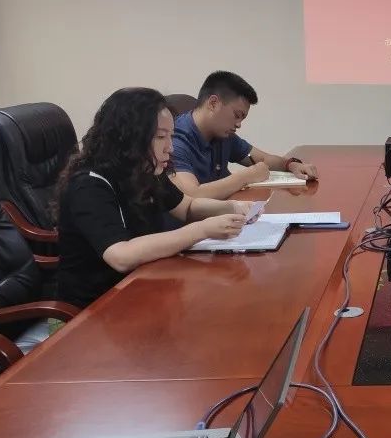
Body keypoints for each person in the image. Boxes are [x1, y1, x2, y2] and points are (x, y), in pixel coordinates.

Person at [57, 88, 256, 307]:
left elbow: (187, 207)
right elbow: (121, 256)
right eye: (161, 137)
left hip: (142, 287)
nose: (170, 148)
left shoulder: (144, 169)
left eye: (171, 136)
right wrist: (202, 230)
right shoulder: (88, 184)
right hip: (93, 308)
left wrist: (232, 207)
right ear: (129, 137)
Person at [170, 70, 317, 199]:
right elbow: (192, 194)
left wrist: (290, 164)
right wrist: (245, 177)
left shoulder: (224, 135)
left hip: (226, 210)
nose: (239, 124)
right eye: (237, 115)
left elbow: (262, 159)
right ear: (213, 103)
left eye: (242, 118)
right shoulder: (175, 141)